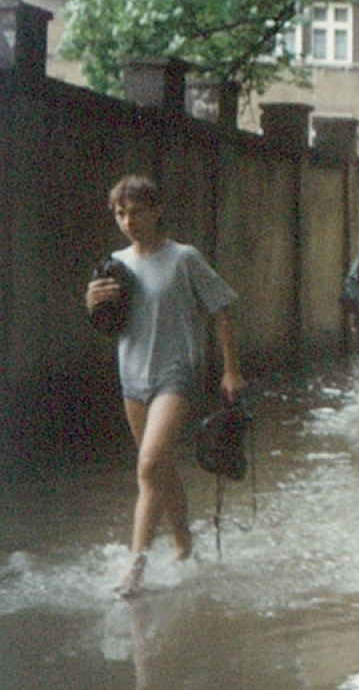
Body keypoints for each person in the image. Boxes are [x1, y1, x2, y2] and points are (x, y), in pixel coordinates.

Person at [84, 174, 244, 599]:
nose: (129, 220)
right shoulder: (115, 264)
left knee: (149, 464)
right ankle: (183, 546)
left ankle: (134, 569)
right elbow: (107, 324)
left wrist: (231, 369)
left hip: (177, 373)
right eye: (121, 213)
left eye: (136, 211)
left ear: (157, 211)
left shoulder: (183, 258)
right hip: (132, 376)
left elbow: (222, 306)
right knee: (160, 467)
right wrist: (92, 303)